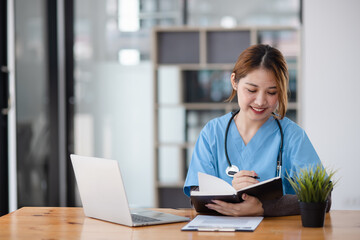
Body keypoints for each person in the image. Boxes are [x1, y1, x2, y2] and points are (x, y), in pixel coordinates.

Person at [183, 44, 331, 217]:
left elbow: (324, 199)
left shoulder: (293, 137)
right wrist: (233, 193)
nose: (260, 101)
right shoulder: (212, 133)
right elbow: (196, 196)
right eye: (251, 90)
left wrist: (263, 208)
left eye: (272, 92)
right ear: (234, 82)